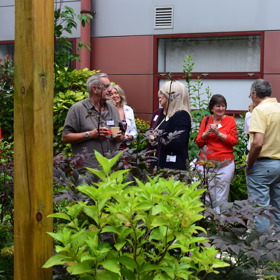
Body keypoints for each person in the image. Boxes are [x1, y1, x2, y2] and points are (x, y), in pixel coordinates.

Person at [62, 73, 124, 169]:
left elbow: (121, 137)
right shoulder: (78, 109)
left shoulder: (113, 109)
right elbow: (66, 138)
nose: (110, 90)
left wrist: (119, 137)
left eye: (110, 86)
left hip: (111, 167)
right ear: (94, 89)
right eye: (106, 86)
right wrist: (90, 134)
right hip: (88, 168)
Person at [246, 79, 280, 232]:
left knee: (261, 210)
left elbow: (258, 143)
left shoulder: (260, 111)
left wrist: (249, 164)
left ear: (254, 93)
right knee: (278, 207)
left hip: (263, 165)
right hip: (279, 164)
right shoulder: (279, 108)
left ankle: (263, 250)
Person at [196, 94, 238, 212]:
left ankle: (221, 222)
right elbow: (199, 142)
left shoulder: (230, 120)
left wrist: (218, 134)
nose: (220, 109)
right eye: (217, 106)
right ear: (212, 108)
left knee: (221, 195)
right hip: (207, 163)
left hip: (225, 163)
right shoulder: (206, 120)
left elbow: (233, 141)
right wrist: (207, 132)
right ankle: (209, 221)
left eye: (223, 106)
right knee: (208, 195)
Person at [150, 80, 191, 170]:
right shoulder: (161, 114)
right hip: (158, 163)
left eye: (162, 93)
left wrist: (156, 139)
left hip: (173, 168)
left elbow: (178, 143)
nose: (159, 95)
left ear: (171, 96)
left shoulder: (181, 115)